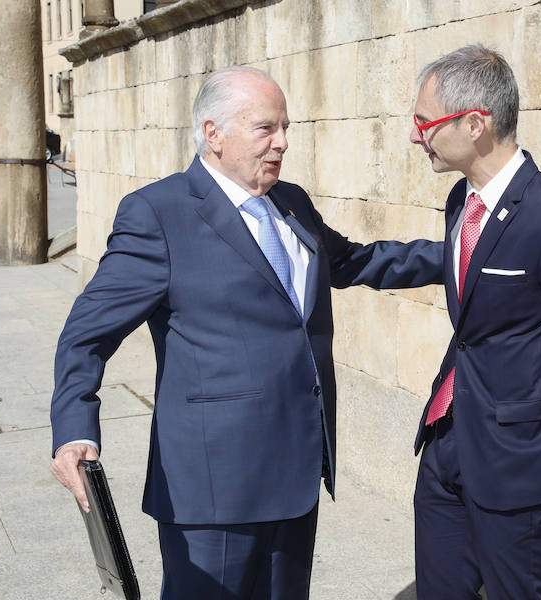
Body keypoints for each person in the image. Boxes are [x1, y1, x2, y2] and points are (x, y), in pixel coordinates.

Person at [50, 66, 443, 599]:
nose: (282, 142)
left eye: (285, 127)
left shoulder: (292, 201)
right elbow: (86, 333)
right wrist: (76, 429)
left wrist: (465, 254)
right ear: (213, 133)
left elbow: (352, 262)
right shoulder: (158, 214)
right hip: (214, 490)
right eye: (266, 128)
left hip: (296, 474)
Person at [408, 45, 541, 599]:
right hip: (447, 443)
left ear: (475, 124)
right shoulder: (461, 202)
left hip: (513, 462)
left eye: (424, 122)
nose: (416, 136)